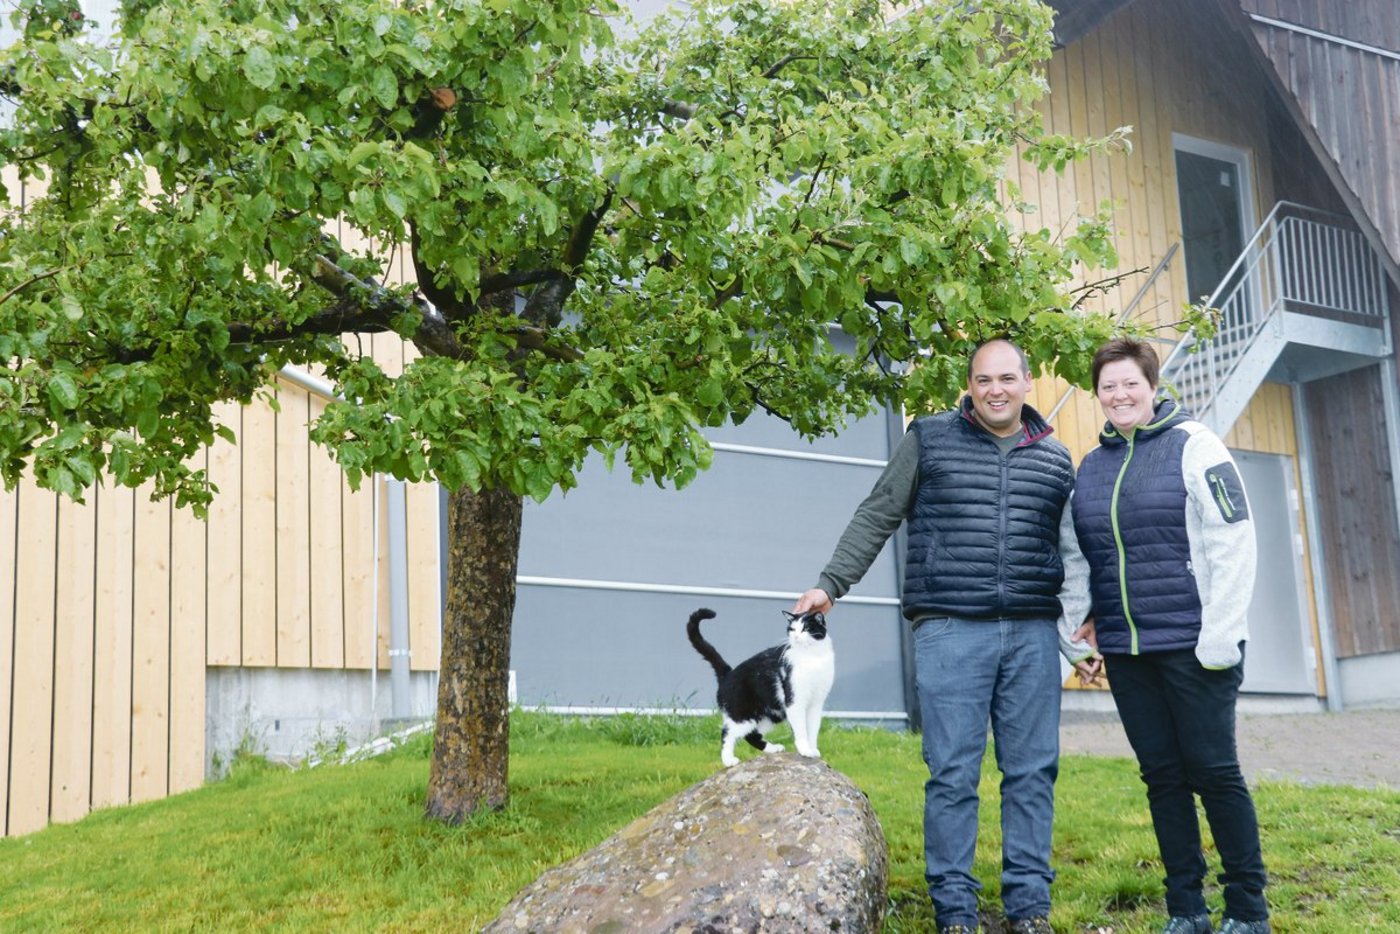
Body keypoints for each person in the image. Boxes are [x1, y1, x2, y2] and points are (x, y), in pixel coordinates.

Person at [792, 339, 1099, 934]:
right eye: (984, 380)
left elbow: (1075, 556)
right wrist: (832, 584)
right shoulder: (929, 439)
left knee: (1033, 772)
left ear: (1028, 382)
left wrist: (1078, 640)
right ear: (970, 385)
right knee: (953, 774)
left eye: (1007, 378)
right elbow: (879, 511)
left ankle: (1029, 909)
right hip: (951, 631)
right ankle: (955, 911)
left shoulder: (1057, 459)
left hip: (1033, 634)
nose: (996, 390)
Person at [1069, 336, 1270, 934]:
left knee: (1215, 772)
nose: (1120, 394)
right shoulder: (1093, 465)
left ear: (1152, 386)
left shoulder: (1195, 446)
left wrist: (1221, 633)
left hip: (1193, 644)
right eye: (1108, 386)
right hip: (1130, 653)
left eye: (1130, 382)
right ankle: (1187, 909)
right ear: (1098, 394)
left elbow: (1234, 539)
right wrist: (1084, 622)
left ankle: (1247, 910)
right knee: (1162, 779)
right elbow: (1090, 555)